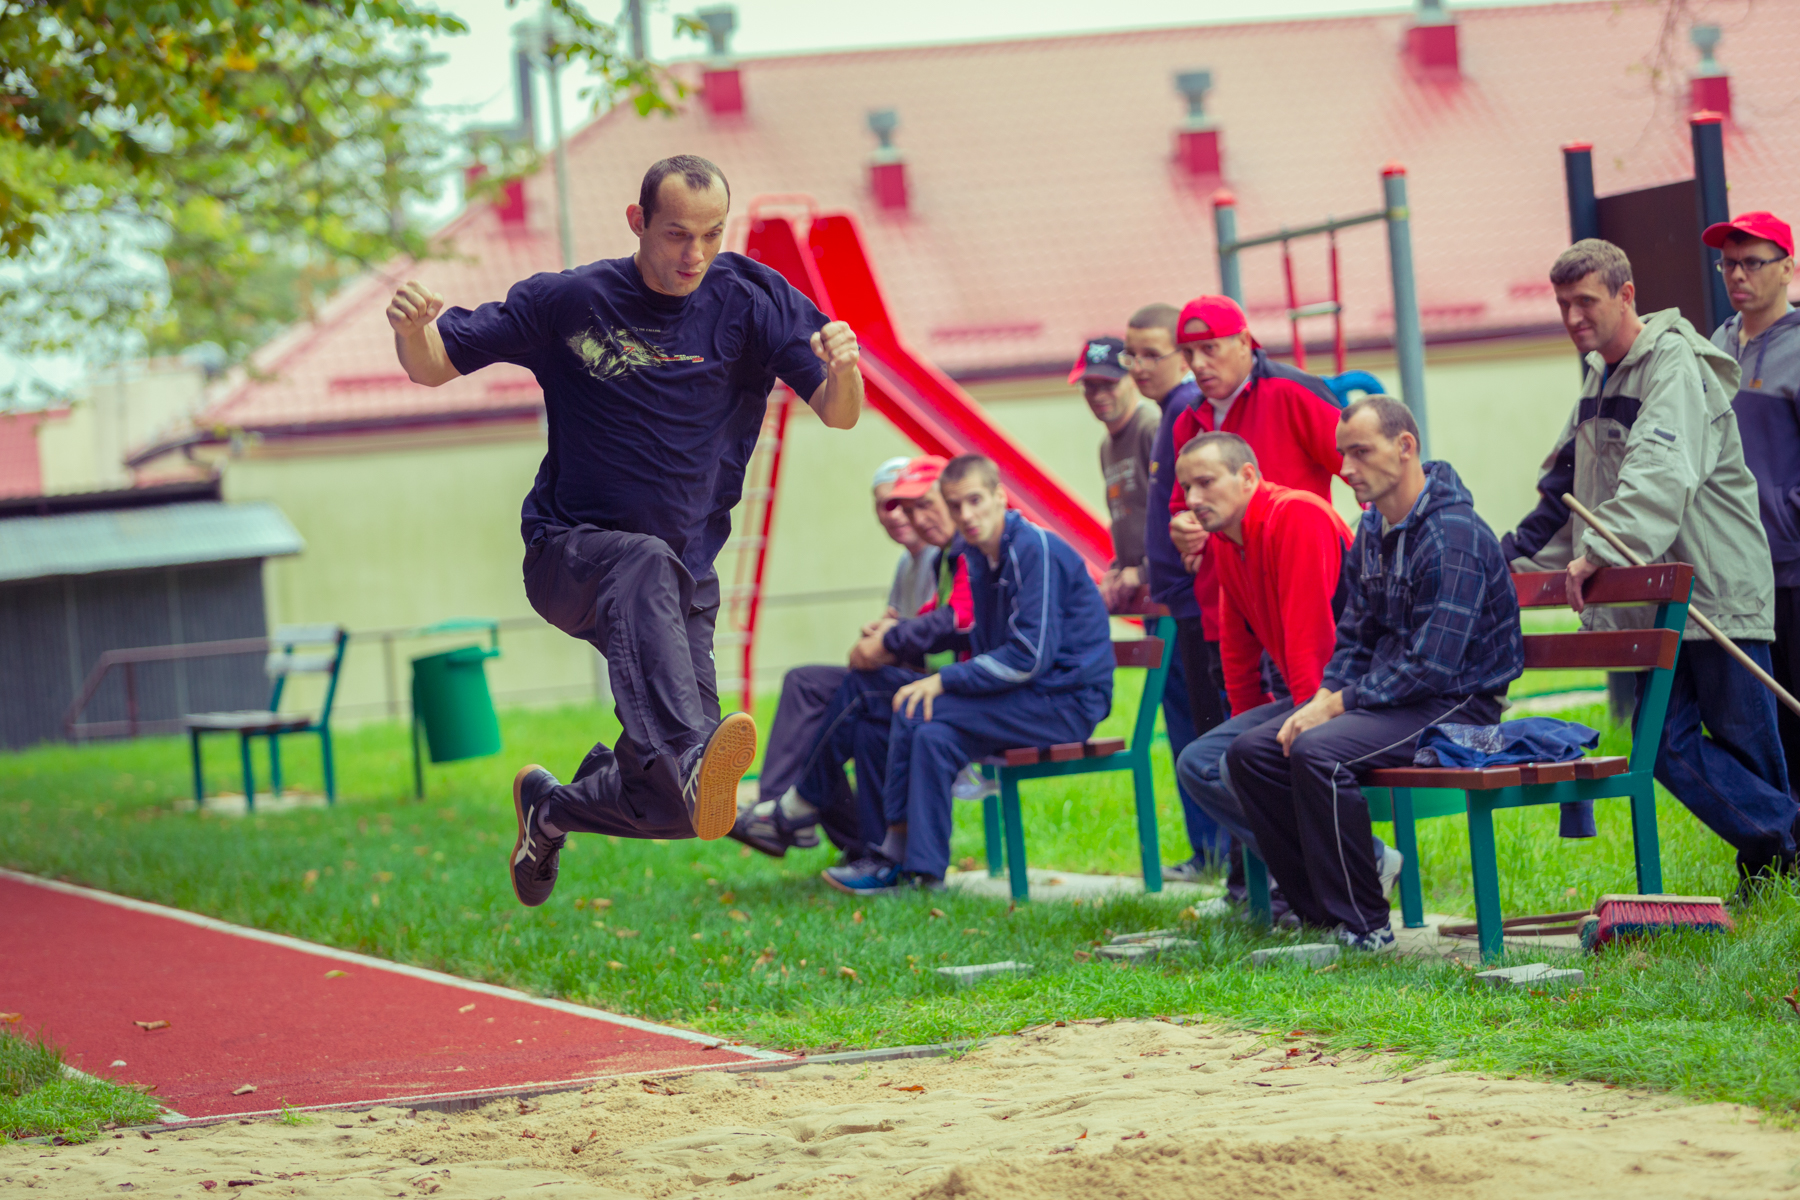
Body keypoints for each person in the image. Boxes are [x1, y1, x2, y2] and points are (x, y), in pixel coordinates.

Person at [384, 154, 864, 907]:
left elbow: (839, 413)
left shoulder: (750, 300)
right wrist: (413, 331)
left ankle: (552, 811)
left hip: (683, 579)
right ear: (638, 221)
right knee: (643, 570)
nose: (695, 254)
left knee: (681, 809)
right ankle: (688, 752)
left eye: (711, 234)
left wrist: (845, 370)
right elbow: (433, 364)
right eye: (677, 234)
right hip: (569, 556)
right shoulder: (572, 302)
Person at [1504, 238, 1798, 889]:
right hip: (1658, 600)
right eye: (1563, 303)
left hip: (1717, 589)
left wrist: (1599, 553)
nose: (1573, 316)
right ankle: (1786, 845)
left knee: (1746, 744)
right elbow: (1565, 491)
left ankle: (1774, 872)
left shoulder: (1673, 362)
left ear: (1626, 295)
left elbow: (1658, 472)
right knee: (1664, 745)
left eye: (1586, 300)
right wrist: (1504, 562)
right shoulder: (1600, 376)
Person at [1228, 397, 1524, 950]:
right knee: (1252, 754)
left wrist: (1336, 706)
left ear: (1404, 446)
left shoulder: (1453, 534)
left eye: (1360, 452)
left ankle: (1365, 926)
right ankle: (1320, 916)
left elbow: (1433, 665)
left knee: (1318, 753)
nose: (1345, 468)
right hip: (1398, 700)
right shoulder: (1372, 529)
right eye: (1343, 453)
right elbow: (1356, 637)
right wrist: (1322, 696)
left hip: (1459, 708)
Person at [823, 454, 1114, 893]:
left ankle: (892, 856)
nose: (967, 515)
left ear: (999, 497)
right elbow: (986, 643)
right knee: (933, 735)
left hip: (1067, 700)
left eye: (975, 500)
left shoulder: (1034, 549)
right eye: (956, 505)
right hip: (1029, 695)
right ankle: (925, 875)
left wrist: (945, 680)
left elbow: (1028, 656)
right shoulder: (979, 557)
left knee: (917, 708)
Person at [1167, 433, 1401, 915]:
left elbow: (1313, 645)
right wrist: (1247, 730)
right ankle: (1348, 865)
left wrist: (1295, 735)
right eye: (1186, 487)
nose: (1192, 499)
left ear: (1247, 476)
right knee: (1200, 763)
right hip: (1311, 693)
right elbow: (1237, 656)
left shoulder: (1296, 515)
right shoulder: (1228, 541)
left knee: (1241, 762)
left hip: (1358, 694)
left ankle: (1344, 873)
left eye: (1206, 482)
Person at [1162, 294, 1346, 896]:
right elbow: (1178, 508)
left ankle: (1336, 869)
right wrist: (1184, 525)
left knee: (1260, 748)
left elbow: (1358, 465)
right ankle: (1278, 882)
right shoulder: (1187, 419)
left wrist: (1379, 542)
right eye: (1188, 352)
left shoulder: (1293, 392)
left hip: (1305, 592)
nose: (1198, 363)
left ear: (1245, 342)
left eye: (1210, 348)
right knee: (1221, 750)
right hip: (1234, 594)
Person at [732, 457, 973, 860]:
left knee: (839, 695)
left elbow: (952, 623)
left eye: (921, 505)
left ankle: (787, 811)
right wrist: (887, 633)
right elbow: (929, 621)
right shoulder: (932, 559)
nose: (909, 517)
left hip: (958, 688)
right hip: (929, 679)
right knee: (837, 714)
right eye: (893, 506)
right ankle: (856, 845)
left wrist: (890, 639)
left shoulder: (961, 552)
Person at [1129, 303, 1231, 880]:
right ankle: (1211, 850)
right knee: (1189, 726)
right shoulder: (1169, 413)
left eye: (1152, 353)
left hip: (1197, 600)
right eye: (1132, 354)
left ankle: (1225, 852)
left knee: (1208, 728)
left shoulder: (1187, 411)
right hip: (1173, 600)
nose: (1139, 366)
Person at [1703, 212, 1800, 803]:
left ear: (1788, 269)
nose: (1737, 274)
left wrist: (1789, 511)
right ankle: (1778, 834)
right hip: (1733, 568)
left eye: (1753, 263)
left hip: (1792, 563)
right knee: (1756, 722)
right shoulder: (1712, 347)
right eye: (1728, 264)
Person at [1073, 336, 1160, 611]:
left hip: (1167, 585)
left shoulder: (1151, 429)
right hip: (1143, 586)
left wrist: (1145, 571)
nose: (1099, 395)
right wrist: (1118, 568)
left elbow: (1175, 510)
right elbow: (1128, 515)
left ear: (1131, 379)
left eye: (1109, 384)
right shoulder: (1107, 447)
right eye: (1090, 386)